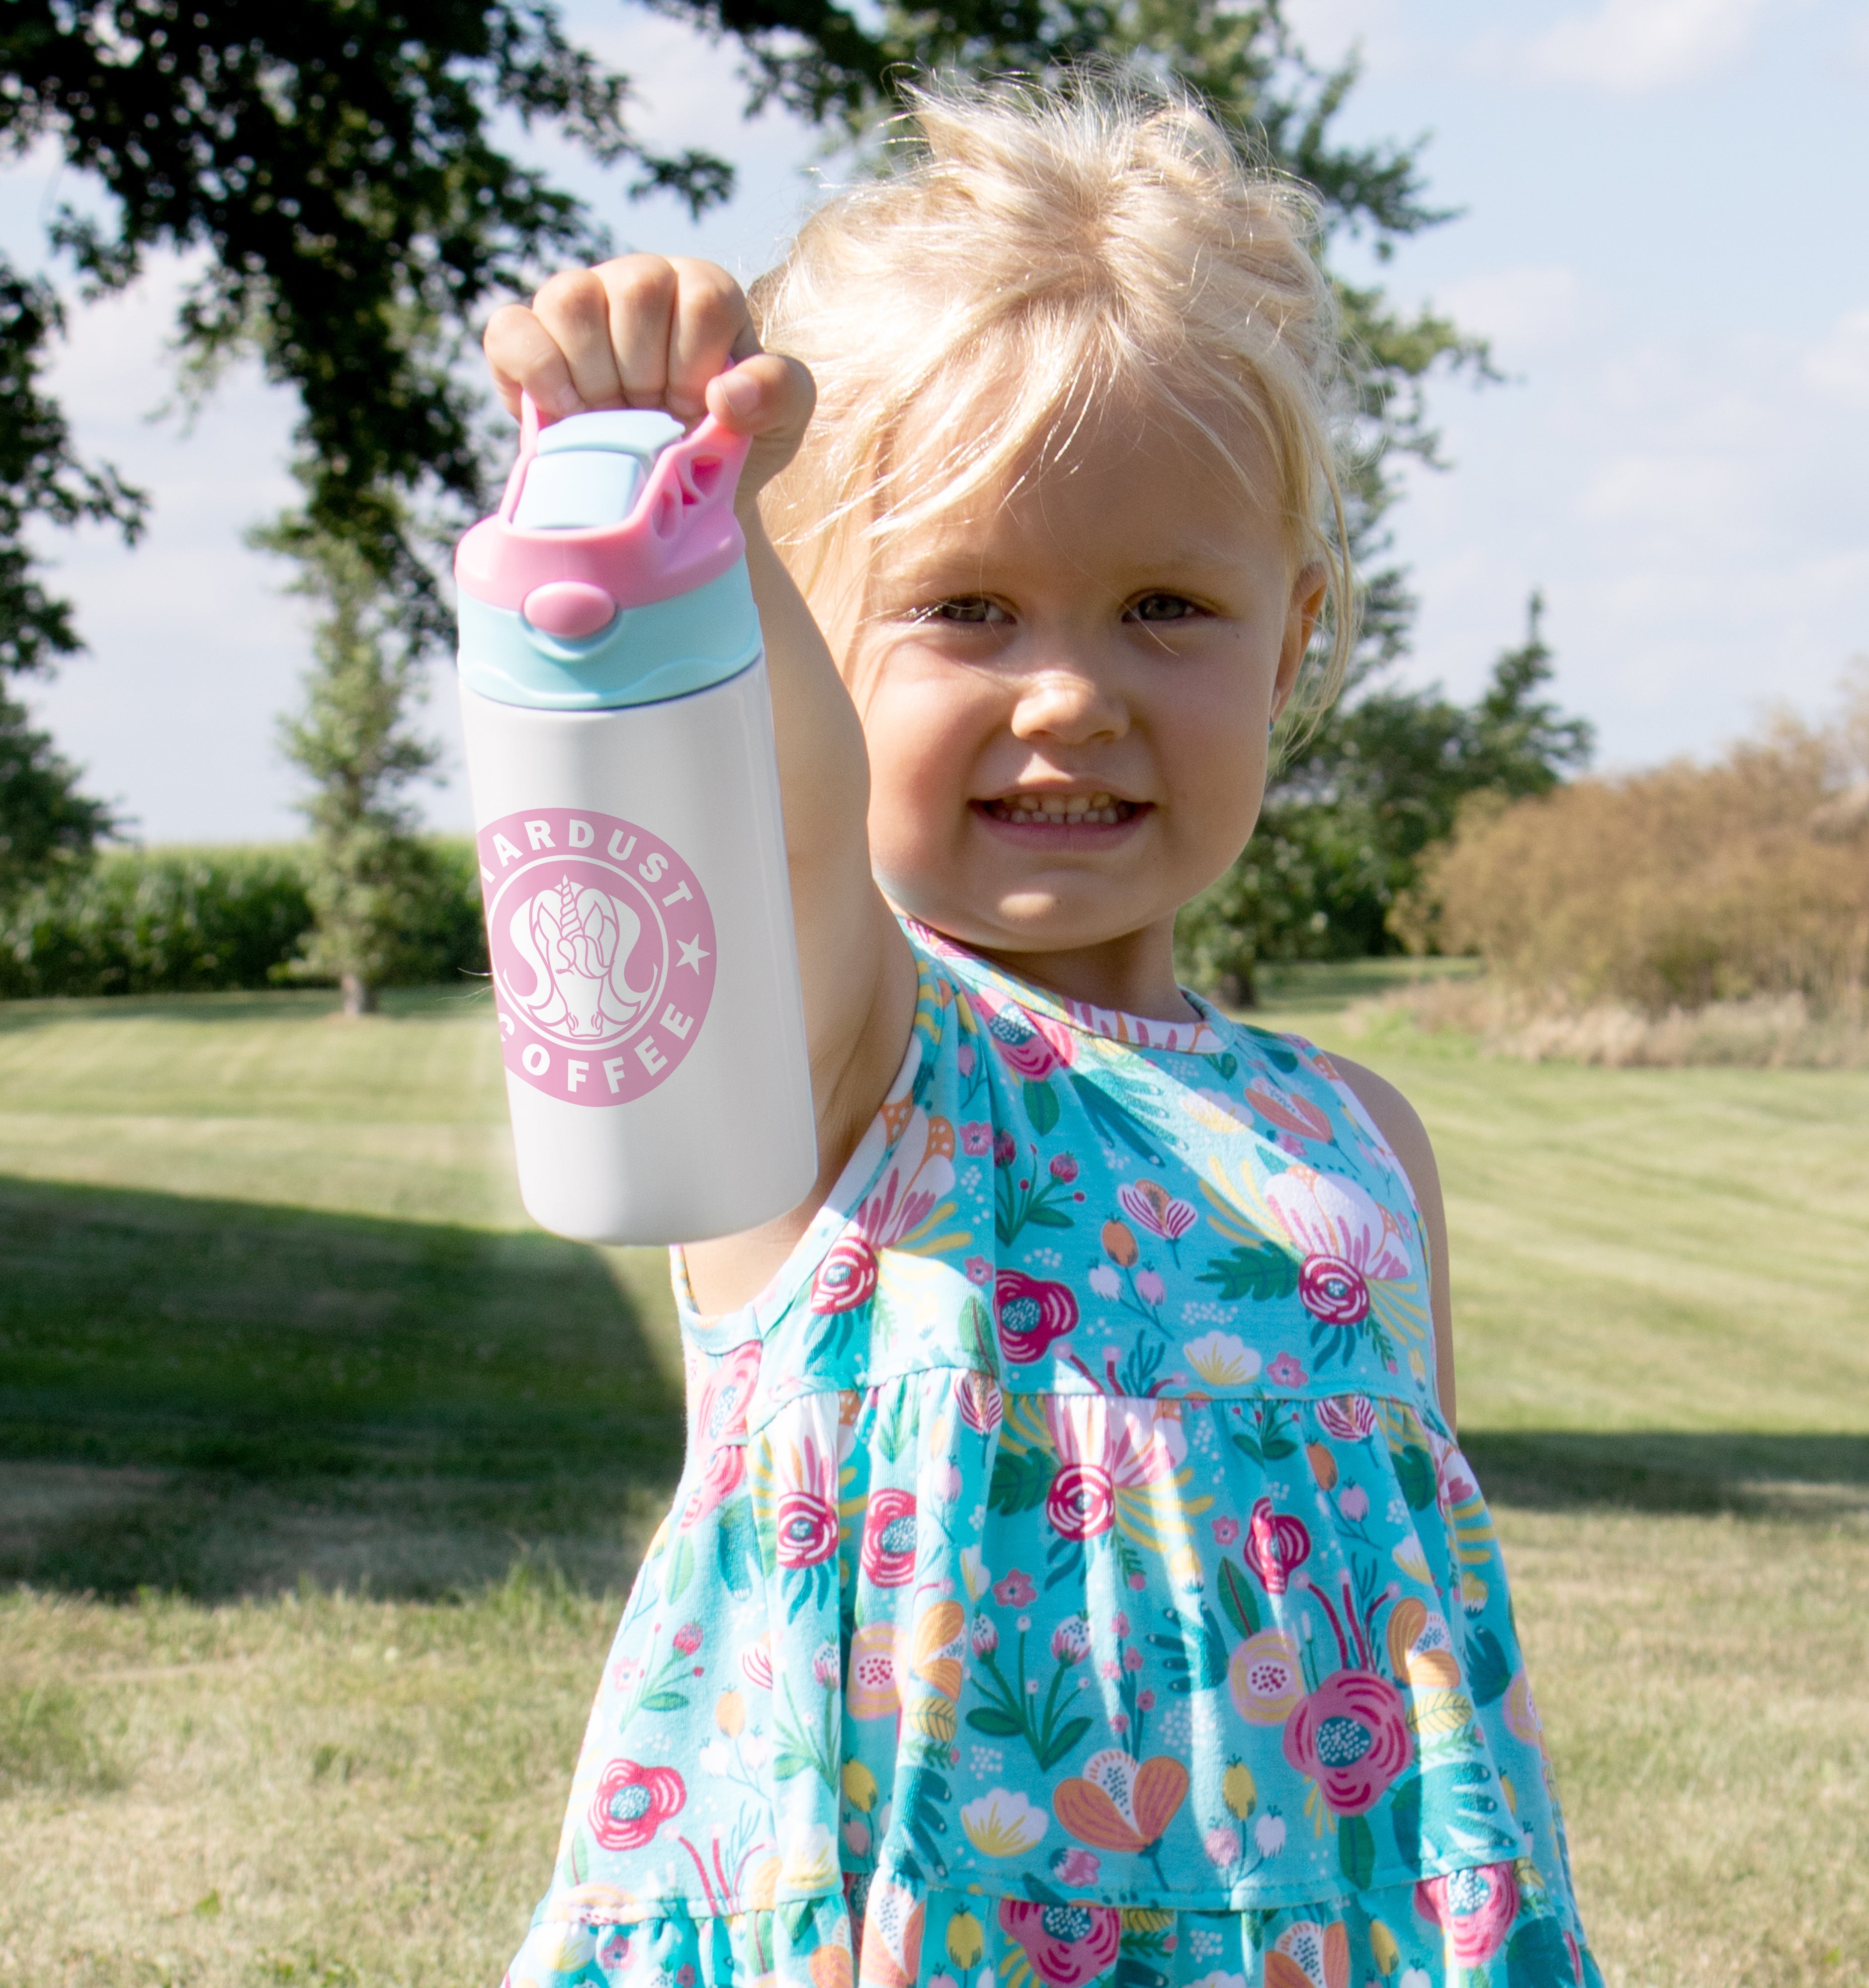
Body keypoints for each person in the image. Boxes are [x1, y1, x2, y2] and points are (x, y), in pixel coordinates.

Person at [483, 76, 1604, 1988]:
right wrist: (678, 524)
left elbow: (1409, 1652)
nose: (1071, 692)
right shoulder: (851, 1065)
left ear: (1295, 634)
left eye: (1168, 605)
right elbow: (786, 822)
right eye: (966, 610)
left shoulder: (1356, 1141)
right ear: (808, 651)